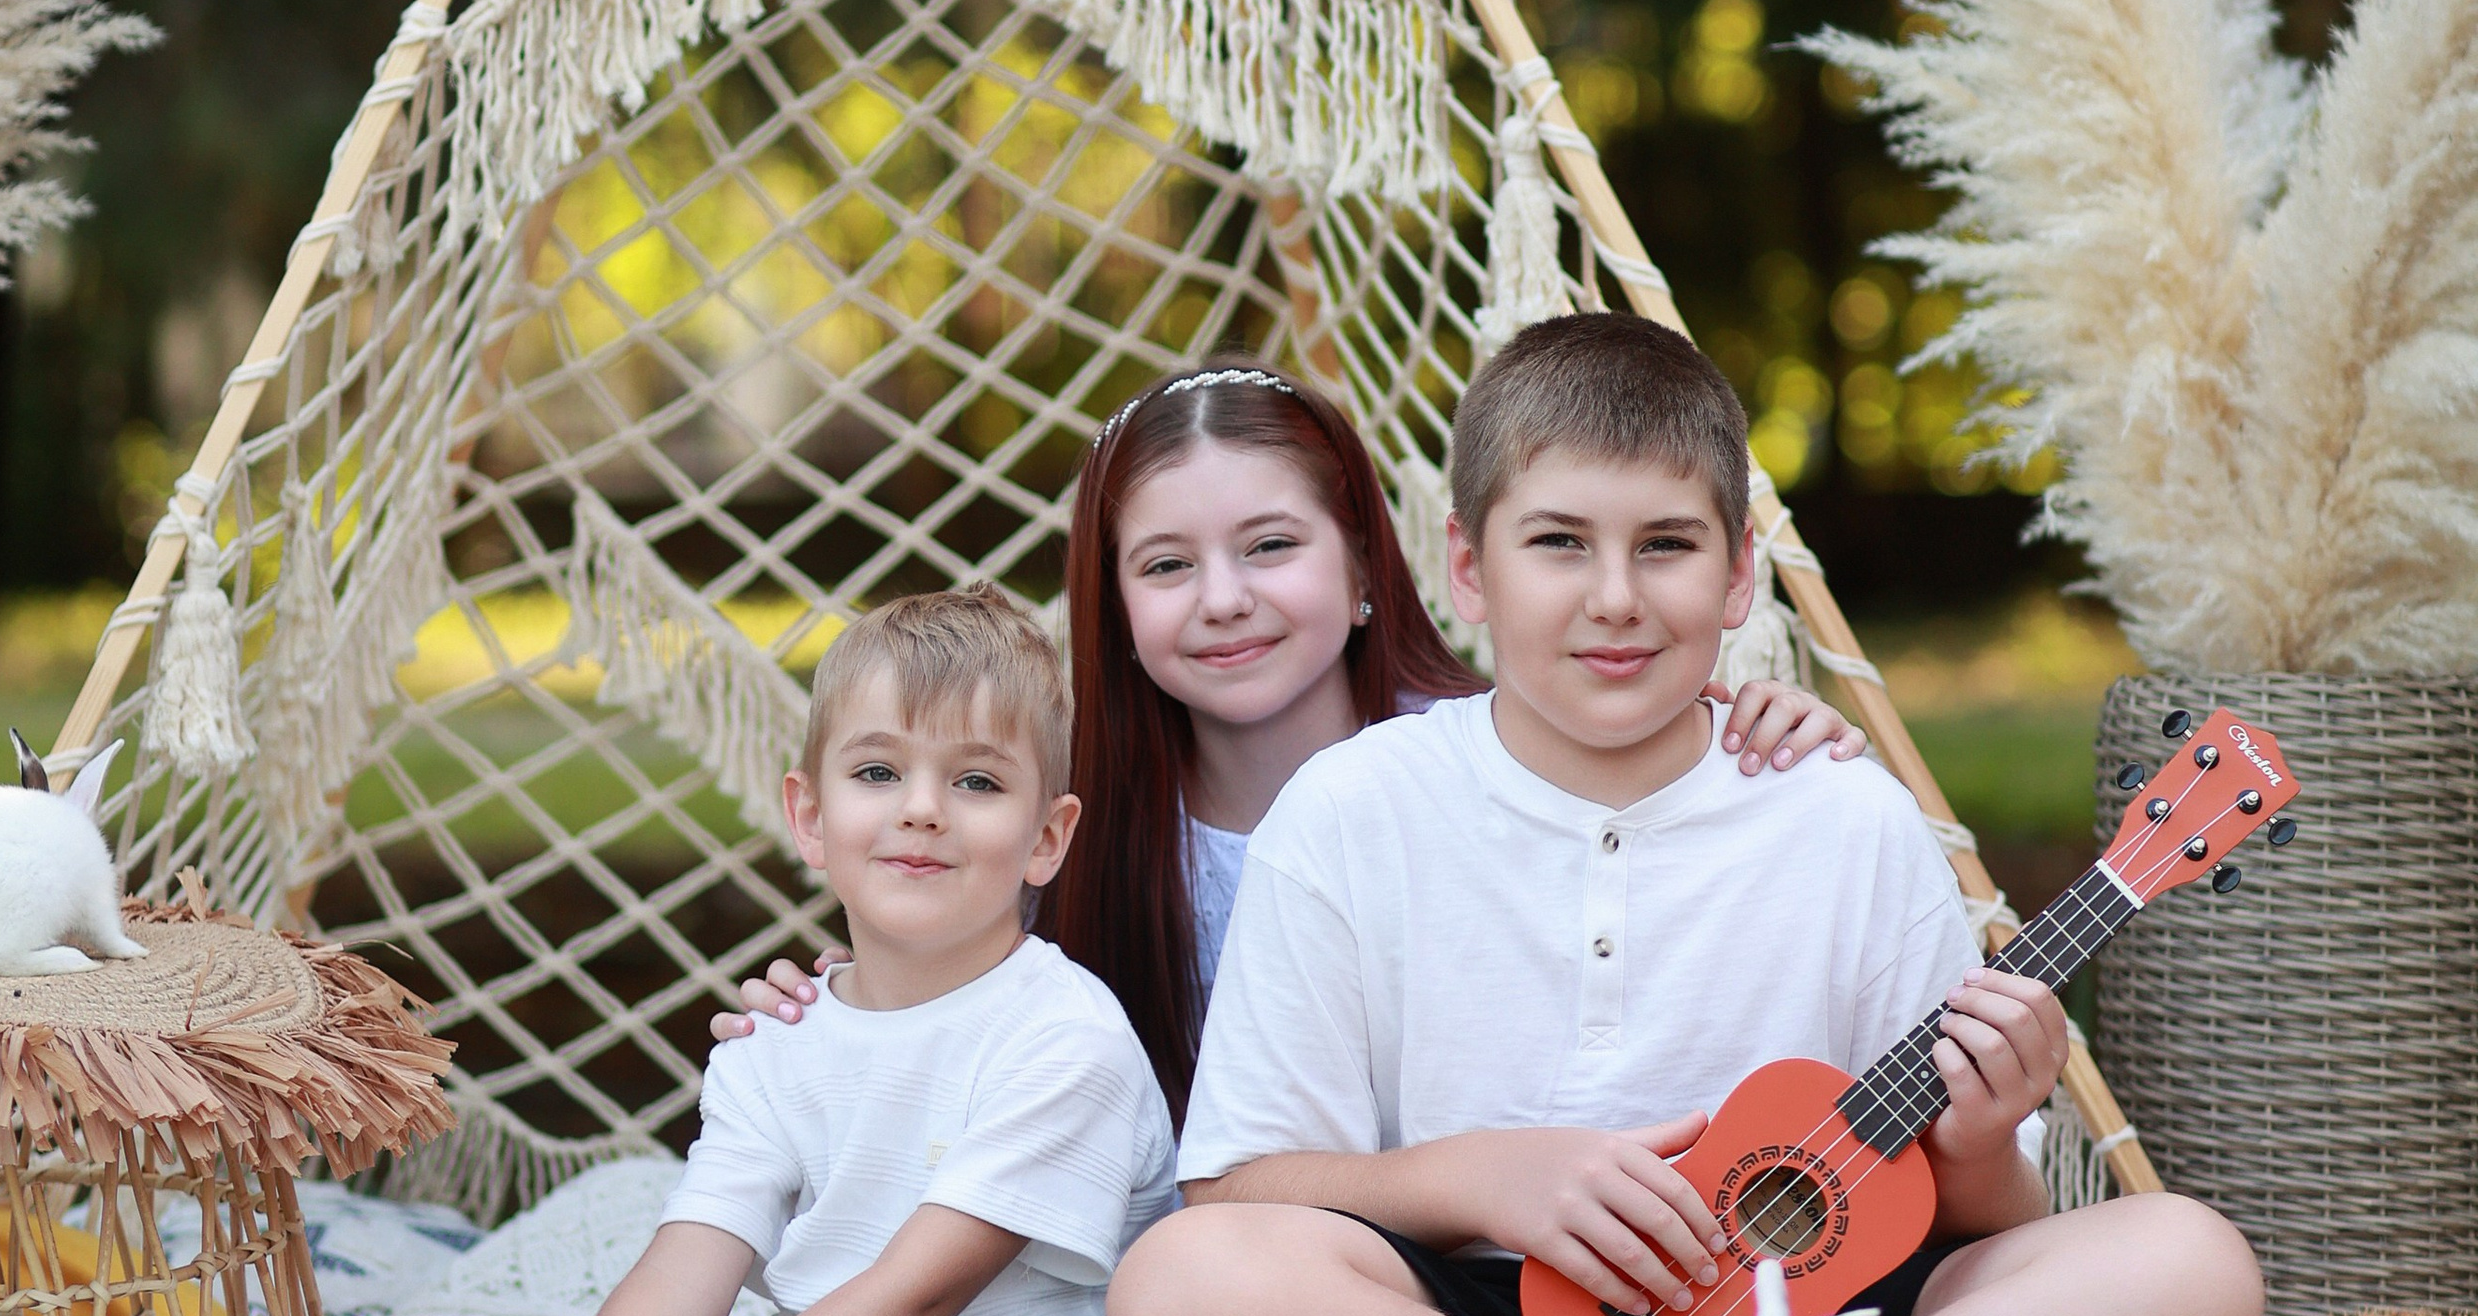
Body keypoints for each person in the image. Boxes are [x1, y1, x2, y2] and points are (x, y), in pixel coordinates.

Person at [1103, 313, 2266, 1316]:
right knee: (1182, 1293)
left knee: (2186, 1260)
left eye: (1665, 546)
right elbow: (1246, 1185)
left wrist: (1986, 1138)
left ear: (1736, 580)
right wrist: (1485, 1177)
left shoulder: (1841, 815)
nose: (1614, 598)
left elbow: (1973, 1234)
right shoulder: (1355, 809)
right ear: (1466, 569)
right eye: (1558, 544)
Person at [353, 587, 1193, 1316]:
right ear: (809, 815)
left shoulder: (1064, 1035)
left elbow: (912, 1298)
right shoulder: (776, 1039)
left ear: (1044, 839)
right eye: (878, 772)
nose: (921, 807)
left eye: (975, 780)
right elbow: (693, 1260)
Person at [717, 366, 1867, 1117]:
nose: (1223, 600)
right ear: (1112, 605)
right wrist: (828, 1014)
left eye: (1270, 547)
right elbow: (935, 1012)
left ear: (1366, 563)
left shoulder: (1492, 769)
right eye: (1166, 566)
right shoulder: (1063, 831)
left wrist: (1725, 725)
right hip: (1215, 1288)